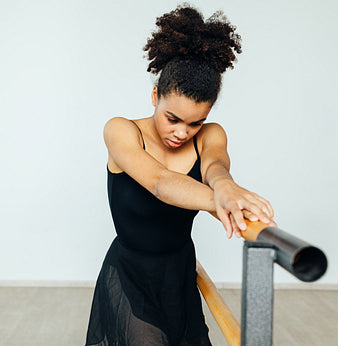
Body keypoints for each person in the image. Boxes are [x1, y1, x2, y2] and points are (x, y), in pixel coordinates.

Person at [85, 4, 275, 345]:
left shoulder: (211, 134)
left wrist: (226, 187)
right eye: (172, 118)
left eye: (195, 122)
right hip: (130, 273)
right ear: (155, 95)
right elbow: (160, 183)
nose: (182, 133)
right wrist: (221, 200)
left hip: (179, 273)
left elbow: (215, 167)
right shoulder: (121, 131)